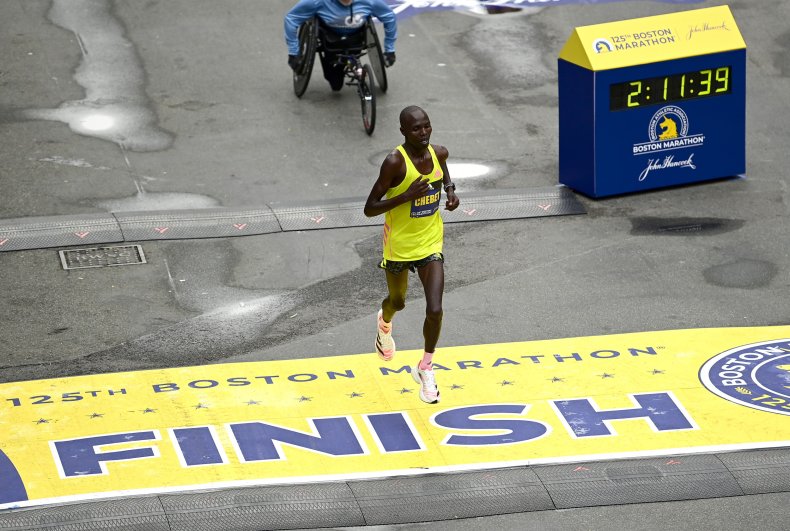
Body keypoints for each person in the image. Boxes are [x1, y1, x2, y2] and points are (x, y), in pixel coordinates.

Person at [364, 106, 460, 404]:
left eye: (427, 127)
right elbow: (369, 208)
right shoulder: (395, 163)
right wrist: (405, 196)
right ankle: (384, 322)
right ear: (403, 131)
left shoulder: (439, 153)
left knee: (435, 309)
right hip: (399, 247)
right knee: (398, 302)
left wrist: (451, 191)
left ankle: (426, 367)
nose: (423, 133)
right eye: (416, 129)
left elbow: (444, 174)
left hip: (430, 242)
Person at [284, 0, 397, 91]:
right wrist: (294, 52)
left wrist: (389, 50)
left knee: (340, 80)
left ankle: (350, 67)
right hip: (329, 41)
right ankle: (337, 69)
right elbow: (291, 19)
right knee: (336, 85)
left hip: (355, 40)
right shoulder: (317, 2)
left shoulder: (369, 1)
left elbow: (389, 17)